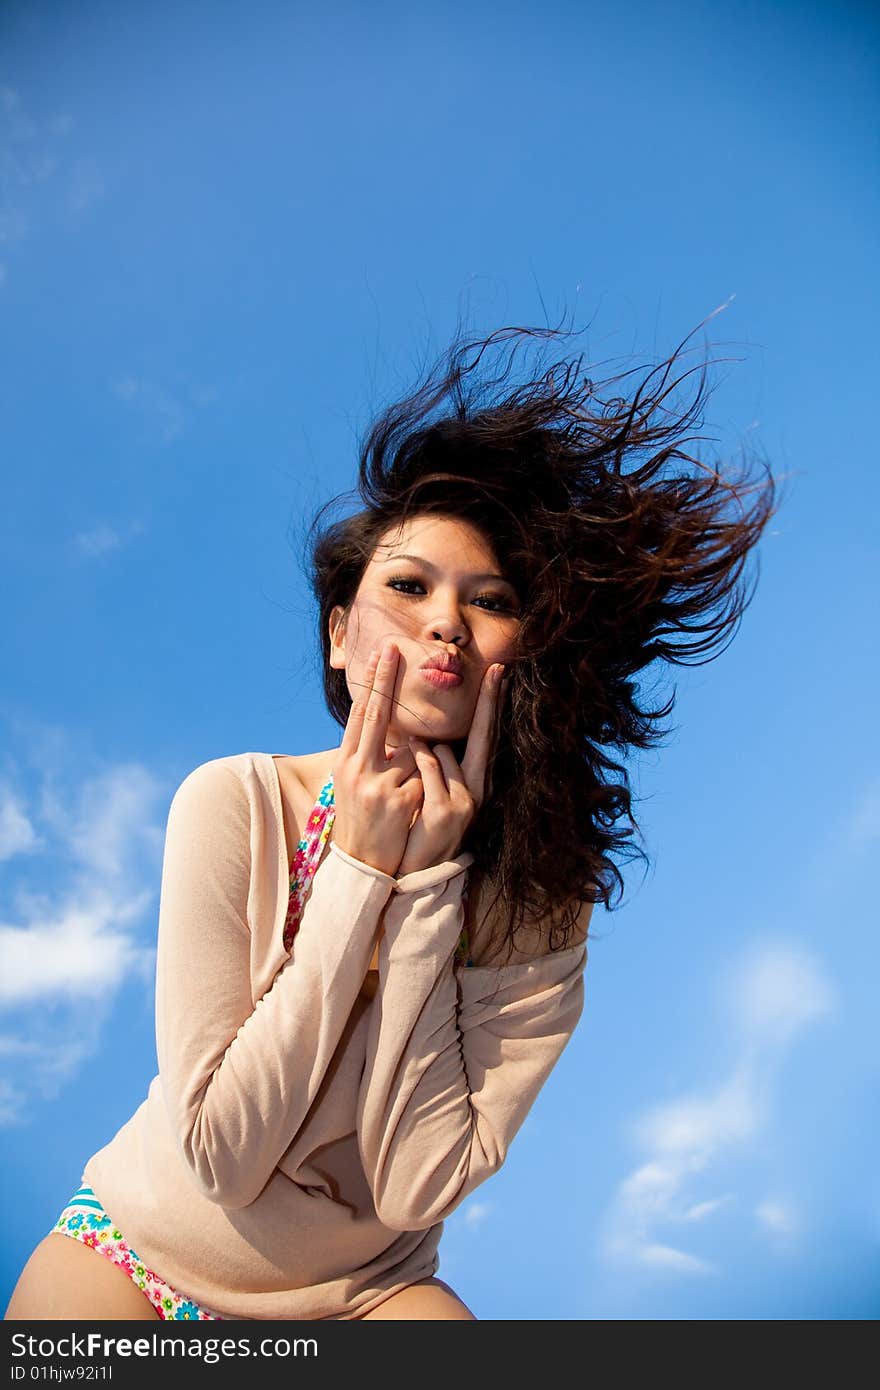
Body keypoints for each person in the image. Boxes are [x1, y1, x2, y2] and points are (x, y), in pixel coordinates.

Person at [4, 312, 779, 1321]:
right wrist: (359, 872)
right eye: (407, 586)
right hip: (136, 1254)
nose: (444, 620)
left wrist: (422, 889)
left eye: (488, 599)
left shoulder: (542, 896)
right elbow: (222, 1155)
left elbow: (416, 1183)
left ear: (519, 649)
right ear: (340, 635)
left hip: (366, 1296)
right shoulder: (238, 800)